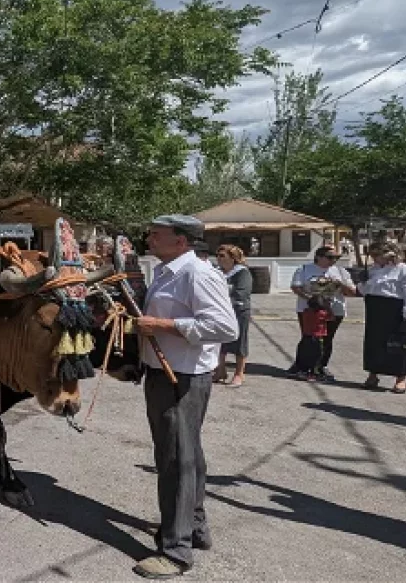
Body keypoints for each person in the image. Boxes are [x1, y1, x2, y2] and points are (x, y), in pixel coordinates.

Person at [131, 214, 238, 580]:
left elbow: (225, 326)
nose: (149, 239)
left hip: (182, 378)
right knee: (187, 453)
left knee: (176, 459)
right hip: (164, 374)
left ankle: (176, 551)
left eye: (156, 234)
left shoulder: (198, 274)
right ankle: (194, 527)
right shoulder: (166, 271)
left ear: (181, 241)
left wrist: (162, 326)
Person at [287, 246, 355, 381]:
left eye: (336, 258)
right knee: (310, 339)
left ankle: (321, 366)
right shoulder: (304, 269)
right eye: (330, 257)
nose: (334, 260)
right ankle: (303, 366)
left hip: (334, 309)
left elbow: (352, 292)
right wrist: (312, 298)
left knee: (327, 339)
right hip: (310, 310)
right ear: (319, 257)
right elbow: (296, 287)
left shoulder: (341, 271)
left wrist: (340, 284)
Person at [356, 241, 406, 394]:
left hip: (395, 309)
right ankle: (373, 374)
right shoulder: (373, 270)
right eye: (373, 255)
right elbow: (364, 291)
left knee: (398, 344)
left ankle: (401, 378)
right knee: (373, 342)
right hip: (375, 308)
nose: (374, 259)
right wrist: (362, 282)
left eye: (377, 255)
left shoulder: (405, 270)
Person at [214, 245, 252, 387]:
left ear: (233, 258)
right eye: (217, 255)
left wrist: (222, 302)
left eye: (222, 255)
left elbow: (241, 293)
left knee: (239, 342)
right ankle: (220, 370)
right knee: (220, 341)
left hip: (239, 312)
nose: (218, 258)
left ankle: (239, 374)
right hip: (221, 312)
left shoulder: (242, 273)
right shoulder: (217, 272)